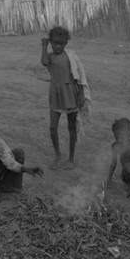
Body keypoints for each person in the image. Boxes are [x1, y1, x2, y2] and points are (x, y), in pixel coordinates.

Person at [41, 26, 91, 170]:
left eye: (61, 43)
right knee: (52, 127)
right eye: (55, 43)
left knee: (71, 127)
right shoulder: (49, 57)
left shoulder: (71, 56)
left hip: (70, 92)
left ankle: (71, 158)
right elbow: (44, 62)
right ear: (51, 42)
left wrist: (81, 94)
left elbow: (79, 77)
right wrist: (44, 45)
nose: (57, 46)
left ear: (65, 43)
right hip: (56, 93)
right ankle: (57, 154)